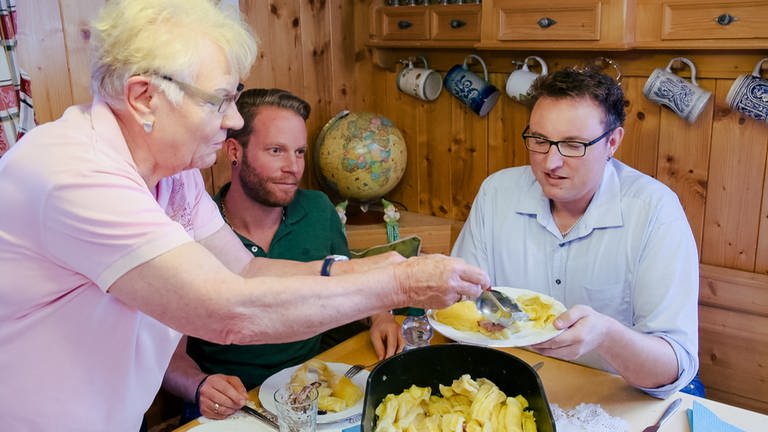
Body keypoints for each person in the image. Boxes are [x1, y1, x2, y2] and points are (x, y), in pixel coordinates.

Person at [0, 1, 489, 430]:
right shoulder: (75, 175)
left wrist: (377, 267)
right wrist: (402, 287)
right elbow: (228, 311)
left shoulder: (173, 165)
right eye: (219, 100)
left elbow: (242, 268)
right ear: (144, 97)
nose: (233, 119)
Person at [452, 66, 699, 399]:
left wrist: (607, 336)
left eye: (572, 145)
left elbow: (673, 367)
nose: (550, 162)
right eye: (539, 140)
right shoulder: (498, 193)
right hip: (516, 385)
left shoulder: (654, 211)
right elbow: (466, 300)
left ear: (612, 142)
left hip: (621, 396)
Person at [163, 88, 404, 422]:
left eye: (300, 152)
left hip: (312, 391)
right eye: (276, 150)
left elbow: (351, 283)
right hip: (232, 404)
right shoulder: (189, 228)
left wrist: (381, 315)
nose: (294, 167)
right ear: (234, 151)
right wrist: (200, 385)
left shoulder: (319, 210)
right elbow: (169, 360)